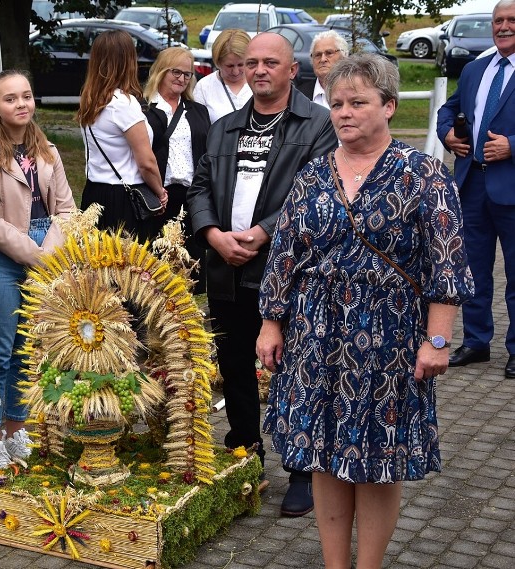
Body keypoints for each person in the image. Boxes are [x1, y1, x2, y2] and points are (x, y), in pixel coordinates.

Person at [257, 53, 474, 569]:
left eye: (358, 102)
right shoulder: (312, 174)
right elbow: (286, 252)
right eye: (336, 103)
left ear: (390, 107)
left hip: (389, 338)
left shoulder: (422, 174)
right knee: (324, 454)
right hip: (316, 335)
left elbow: (446, 262)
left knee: (379, 458)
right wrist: (271, 322)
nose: (344, 113)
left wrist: (438, 339)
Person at [187, 32, 338, 517]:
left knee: (295, 371)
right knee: (233, 366)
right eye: (251, 63)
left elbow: (317, 191)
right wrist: (212, 234)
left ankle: (301, 470)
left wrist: (264, 232)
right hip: (226, 268)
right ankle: (245, 453)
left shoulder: (317, 124)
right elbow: (199, 186)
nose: (259, 70)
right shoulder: (225, 126)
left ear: (293, 69)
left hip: (288, 270)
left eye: (271, 62)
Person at [0, 70, 75, 474]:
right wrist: (30, 253)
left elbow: (65, 209)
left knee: (26, 353)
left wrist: (47, 253)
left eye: (26, 96)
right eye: (10, 99)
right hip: (3, 256)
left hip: (45, 249)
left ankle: (17, 432)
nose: (21, 104)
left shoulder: (46, 150)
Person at [437, 0, 515, 379]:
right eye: (498, 20)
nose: (503, 26)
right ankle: (477, 341)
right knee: (472, 271)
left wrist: (513, 145)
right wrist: (448, 134)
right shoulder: (475, 69)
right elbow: (447, 110)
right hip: (471, 185)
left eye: (511, 20)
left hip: (512, 185)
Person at [77, 29, 168, 241]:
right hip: (124, 200)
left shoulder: (90, 101)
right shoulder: (123, 104)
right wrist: (160, 192)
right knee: (129, 267)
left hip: (93, 193)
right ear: (128, 61)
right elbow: (146, 161)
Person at [143, 47, 211, 293]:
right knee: (153, 272)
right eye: (176, 72)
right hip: (156, 197)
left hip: (189, 198)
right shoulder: (144, 110)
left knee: (187, 272)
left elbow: (206, 155)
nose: (182, 79)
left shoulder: (197, 111)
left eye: (187, 74)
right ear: (161, 71)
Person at [193, 28, 252, 123]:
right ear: (218, 62)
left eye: (241, 65)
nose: (236, 72)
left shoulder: (259, 83)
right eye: (230, 66)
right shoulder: (204, 87)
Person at [296, 30, 348, 108]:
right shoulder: (299, 96)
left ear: (344, 55)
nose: (323, 59)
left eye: (329, 53)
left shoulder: (356, 90)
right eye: (318, 55)